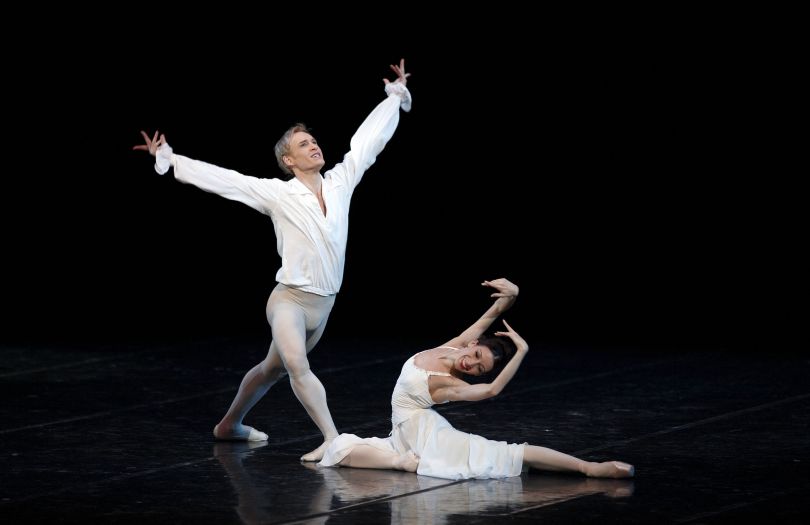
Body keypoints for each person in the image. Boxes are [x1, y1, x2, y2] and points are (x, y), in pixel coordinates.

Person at [133, 59, 412, 462]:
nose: (313, 146)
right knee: (297, 365)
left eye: (313, 140)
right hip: (290, 301)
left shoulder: (340, 182)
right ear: (289, 161)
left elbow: (366, 143)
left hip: (325, 304)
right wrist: (172, 159)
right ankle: (334, 440)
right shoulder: (277, 194)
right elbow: (229, 181)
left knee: (271, 369)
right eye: (303, 144)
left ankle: (229, 425)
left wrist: (393, 97)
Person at [318, 278, 635, 480]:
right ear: (473, 345)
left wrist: (522, 351)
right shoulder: (454, 346)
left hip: (425, 436)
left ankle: (588, 468)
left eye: (480, 369)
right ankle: (399, 461)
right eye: (478, 358)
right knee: (341, 447)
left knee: (508, 453)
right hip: (402, 432)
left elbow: (493, 389)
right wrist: (512, 296)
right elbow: (488, 317)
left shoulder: (448, 383)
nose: (472, 366)